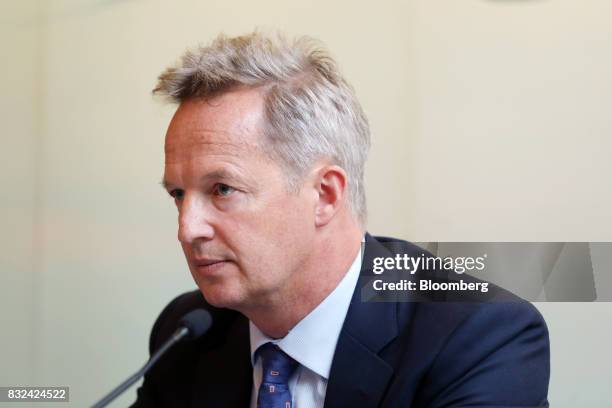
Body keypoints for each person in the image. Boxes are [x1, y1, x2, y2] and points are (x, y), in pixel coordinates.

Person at [132, 32, 550, 407]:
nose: (187, 229)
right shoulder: (190, 334)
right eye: (178, 194)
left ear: (325, 195)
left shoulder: (476, 338)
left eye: (222, 189)